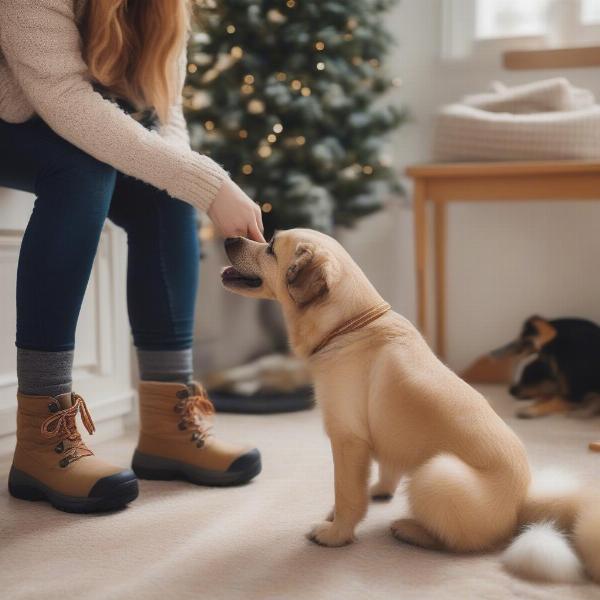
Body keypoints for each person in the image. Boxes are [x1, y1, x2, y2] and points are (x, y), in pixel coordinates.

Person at [0, 0, 263, 513]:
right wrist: (212, 186)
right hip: (16, 109)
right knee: (82, 173)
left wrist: (189, 184)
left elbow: (166, 116)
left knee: (165, 191)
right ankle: (40, 435)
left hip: (57, 118)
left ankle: (169, 423)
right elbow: (60, 98)